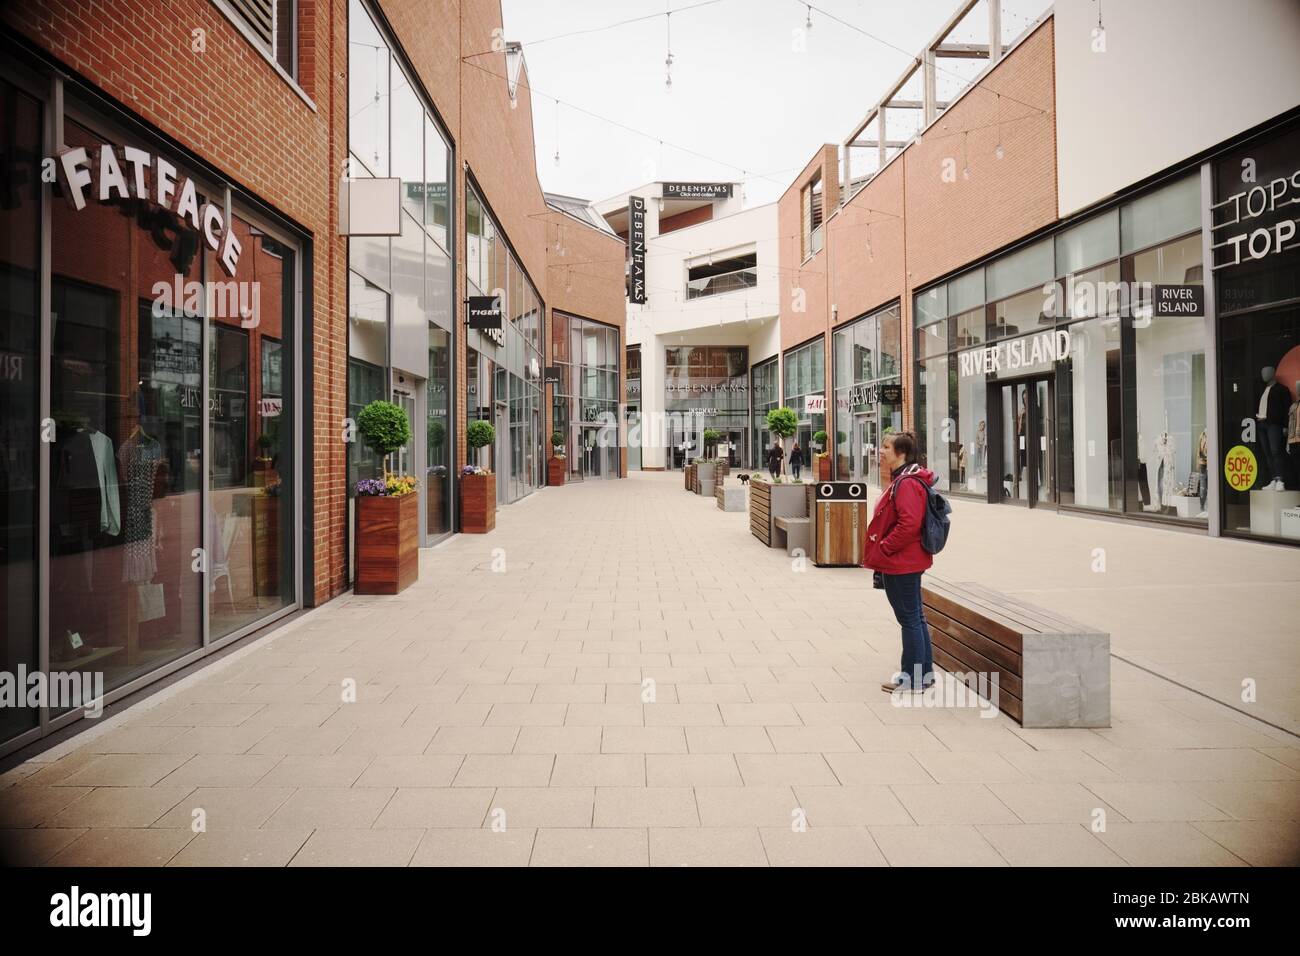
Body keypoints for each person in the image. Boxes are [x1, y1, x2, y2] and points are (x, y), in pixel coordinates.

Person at [861, 431, 936, 693]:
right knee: (916, 617)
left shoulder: (906, 483)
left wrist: (885, 547)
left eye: (886, 447)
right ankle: (924, 675)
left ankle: (912, 679)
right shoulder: (904, 479)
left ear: (900, 453)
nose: (881, 451)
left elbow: (909, 524)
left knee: (910, 619)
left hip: (902, 561)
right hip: (906, 560)